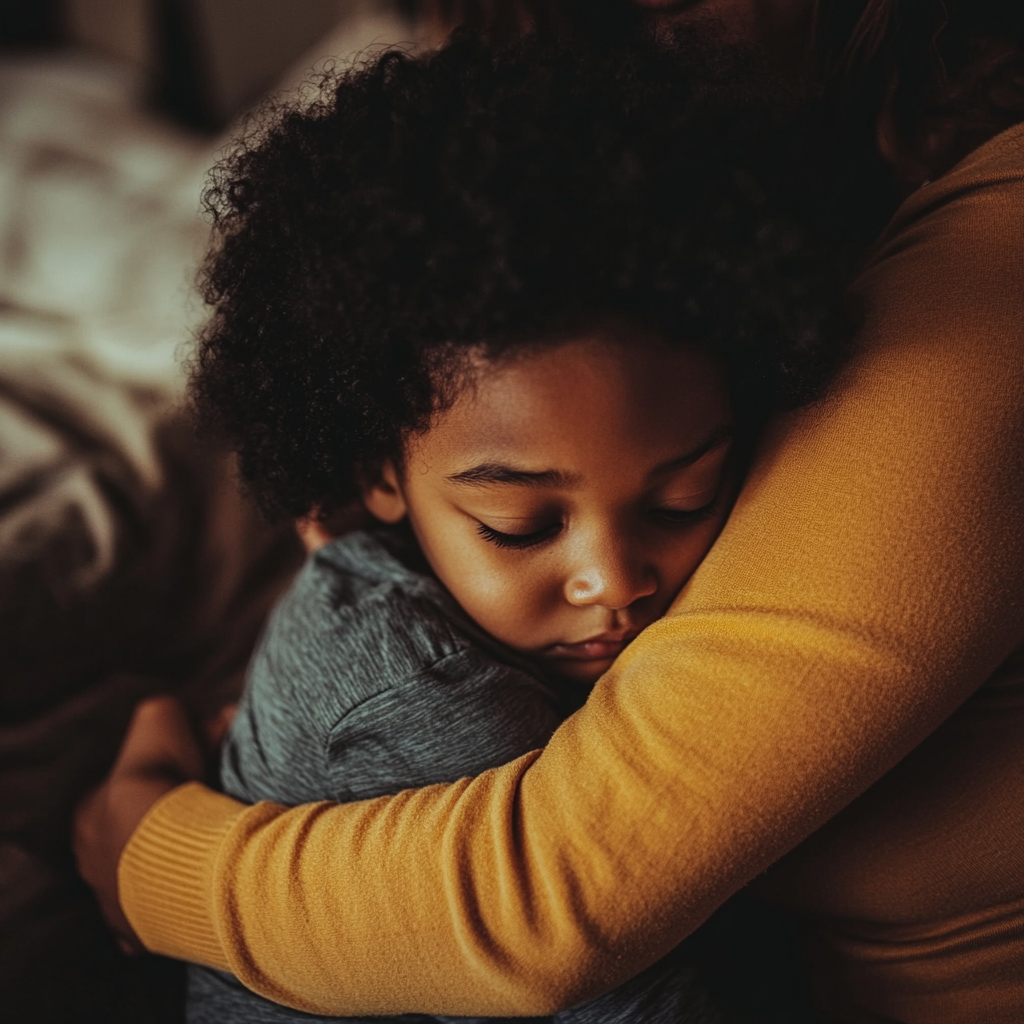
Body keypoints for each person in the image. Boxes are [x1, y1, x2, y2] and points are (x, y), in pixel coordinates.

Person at [75, 1, 1024, 1022]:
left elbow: (553, 902)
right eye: (521, 525)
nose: (614, 580)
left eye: (690, 496)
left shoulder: (979, 261)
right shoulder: (424, 682)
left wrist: (145, 849)